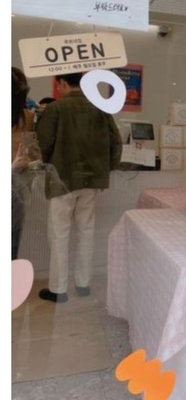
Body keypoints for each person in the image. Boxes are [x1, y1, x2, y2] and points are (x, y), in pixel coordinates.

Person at [36, 72, 122, 303]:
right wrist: (106, 168)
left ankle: (58, 289)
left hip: (62, 178)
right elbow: (116, 142)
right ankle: (83, 284)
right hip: (92, 180)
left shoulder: (55, 109)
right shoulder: (101, 107)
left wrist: (48, 163)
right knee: (87, 230)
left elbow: (44, 143)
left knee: (59, 233)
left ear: (62, 83)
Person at [12, 67, 35, 259]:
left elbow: (31, 150)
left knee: (13, 238)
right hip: (17, 182)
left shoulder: (27, 117)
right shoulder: (27, 116)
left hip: (17, 183)